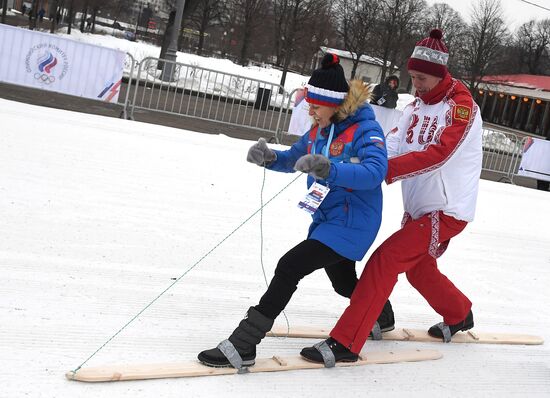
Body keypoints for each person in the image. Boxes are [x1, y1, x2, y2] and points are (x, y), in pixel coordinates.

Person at [301, 28, 483, 365]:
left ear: (441, 74)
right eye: (412, 76)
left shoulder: (461, 108)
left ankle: (346, 341)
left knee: (385, 260)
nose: (416, 84)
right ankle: (459, 314)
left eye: (423, 78)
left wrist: (380, 172)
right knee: (418, 269)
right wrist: (361, 162)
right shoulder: (415, 106)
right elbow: (393, 143)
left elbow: (439, 153)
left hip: (447, 208)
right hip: (419, 206)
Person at [197, 53, 390, 369]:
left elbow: (375, 172)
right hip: (327, 219)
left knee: (290, 265)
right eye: (309, 104)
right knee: (343, 284)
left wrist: (330, 170)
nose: (310, 111)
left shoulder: (365, 130)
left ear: (335, 103)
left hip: (354, 222)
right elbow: (294, 158)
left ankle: (244, 344)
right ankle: (382, 313)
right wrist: (270, 158)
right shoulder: (319, 130)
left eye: (315, 105)